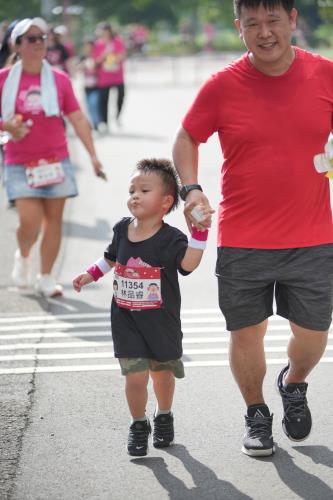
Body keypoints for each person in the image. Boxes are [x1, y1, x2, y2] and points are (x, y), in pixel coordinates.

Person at [172, 0, 333, 458]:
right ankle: (256, 414)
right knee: (246, 332)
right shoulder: (222, 86)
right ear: (239, 27)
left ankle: (294, 381)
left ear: (293, 21)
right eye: (253, 23)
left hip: (314, 235)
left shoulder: (325, 74)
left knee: (313, 334)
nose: (265, 32)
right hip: (244, 239)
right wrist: (192, 190)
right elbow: (187, 137)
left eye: (274, 20)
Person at [72, 158, 211, 456]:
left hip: (161, 323)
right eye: (132, 189)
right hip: (126, 320)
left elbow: (188, 264)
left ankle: (163, 414)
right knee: (134, 376)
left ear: (165, 202)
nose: (134, 195)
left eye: (144, 190)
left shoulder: (171, 239)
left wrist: (200, 235)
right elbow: (111, 257)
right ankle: (137, 424)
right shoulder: (122, 229)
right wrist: (91, 274)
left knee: (162, 374)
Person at [0, 17, 105, 297]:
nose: (38, 43)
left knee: (54, 219)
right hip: (19, 161)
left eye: (42, 38)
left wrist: (93, 156)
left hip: (56, 160)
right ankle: (24, 257)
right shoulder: (3, 79)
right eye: (31, 39)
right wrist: (5, 125)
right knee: (29, 221)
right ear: (17, 44)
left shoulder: (59, 79)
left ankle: (46, 277)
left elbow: (78, 118)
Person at [93, 23, 126, 131]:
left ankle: (117, 116)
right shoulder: (98, 44)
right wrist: (104, 55)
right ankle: (105, 122)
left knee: (121, 96)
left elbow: (123, 54)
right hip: (104, 77)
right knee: (104, 100)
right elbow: (96, 61)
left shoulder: (117, 41)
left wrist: (115, 59)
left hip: (117, 75)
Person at [77, 37, 102, 130]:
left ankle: (96, 122)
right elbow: (78, 68)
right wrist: (83, 65)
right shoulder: (83, 57)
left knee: (94, 104)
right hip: (86, 86)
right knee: (88, 106)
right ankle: (93, 122)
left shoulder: (96, 56)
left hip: (96, 85)